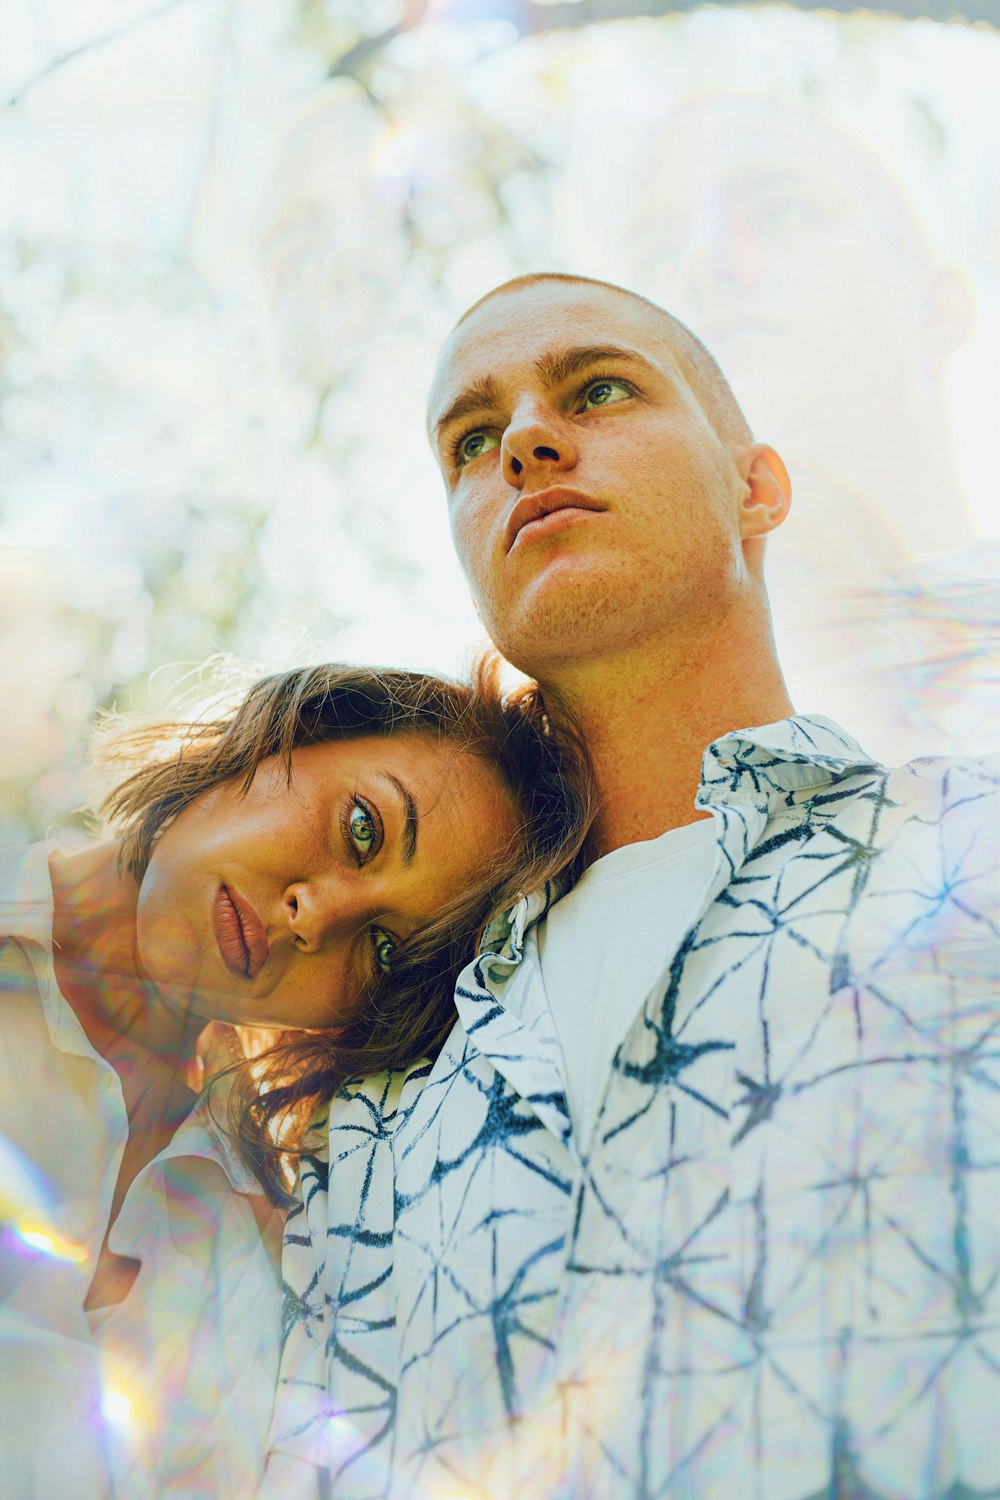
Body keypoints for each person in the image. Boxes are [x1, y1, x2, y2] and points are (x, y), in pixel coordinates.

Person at [269, 274, 999, 1499]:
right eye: (470, 440)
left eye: (597, 388)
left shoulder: (967, 851)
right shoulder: (379, 1102)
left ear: (755, 488)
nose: (525, 444)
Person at [0, 656, 592, 1499]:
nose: (319, 915)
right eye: (363, 828)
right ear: (290, 733)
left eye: (387, 954)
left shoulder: (272, 1256)